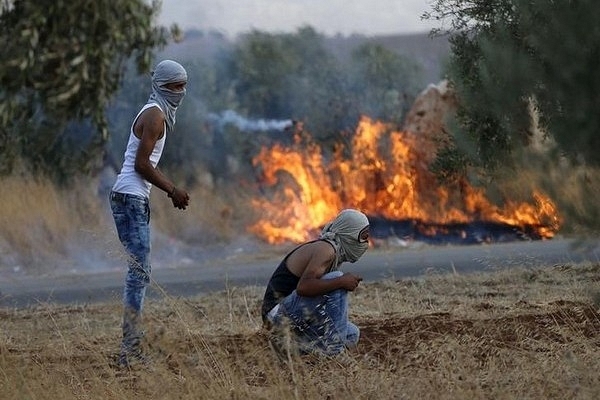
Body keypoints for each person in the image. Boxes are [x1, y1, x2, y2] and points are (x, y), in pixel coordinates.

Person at [109, 59, 190, 367]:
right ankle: (130, 351)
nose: (180, 92)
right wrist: (173, 190)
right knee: (138, 273)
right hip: (130, 197)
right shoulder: (155, 116)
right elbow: (141, 165)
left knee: (139, 272)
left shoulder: (156, 112)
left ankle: (131, 347)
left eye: (183, 86)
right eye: (174, 86)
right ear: (161, 86)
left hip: (130, 196)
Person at [261, 209, 370, 357]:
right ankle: (334, 353)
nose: (366, 243)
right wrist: (342, 281)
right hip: (276, 317)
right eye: (363, 237)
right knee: (337, 278)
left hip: (296, 319)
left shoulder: (334, 252)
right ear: (350, 234)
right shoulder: (326, 249)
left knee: (351, 334)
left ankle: (291, 350)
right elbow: (303, 288)